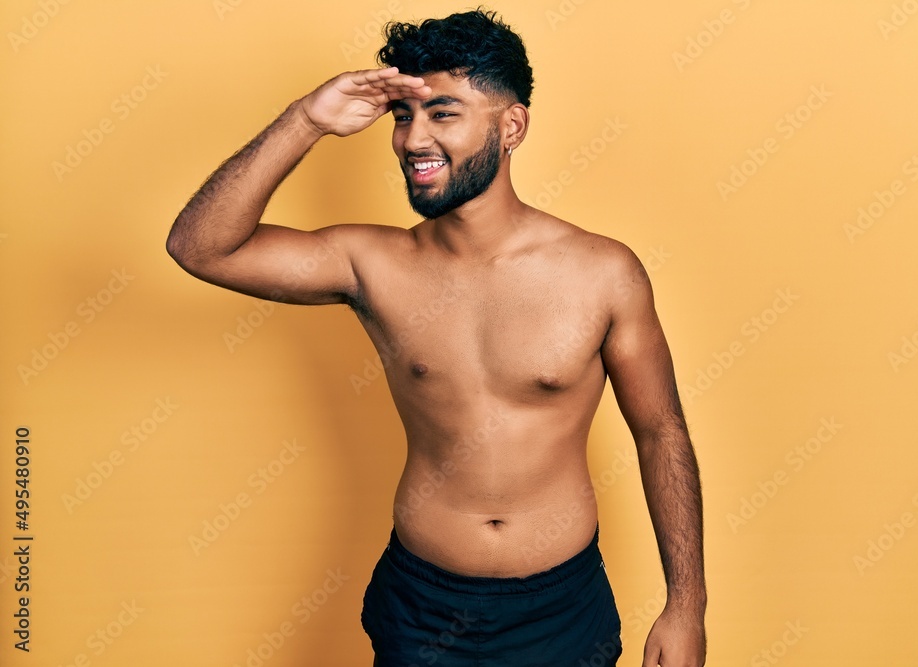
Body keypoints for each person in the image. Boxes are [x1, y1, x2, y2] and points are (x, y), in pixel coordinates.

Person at [166, 8, 706, 667]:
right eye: (403, 116)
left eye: (442, 112)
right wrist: (306, 119)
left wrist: (687, 605)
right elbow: (200, 247)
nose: (412, 139)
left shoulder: (602, 273)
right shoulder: (372, 263)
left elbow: (661, 431)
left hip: (561, 612)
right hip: (422, 607)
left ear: (511, 126)